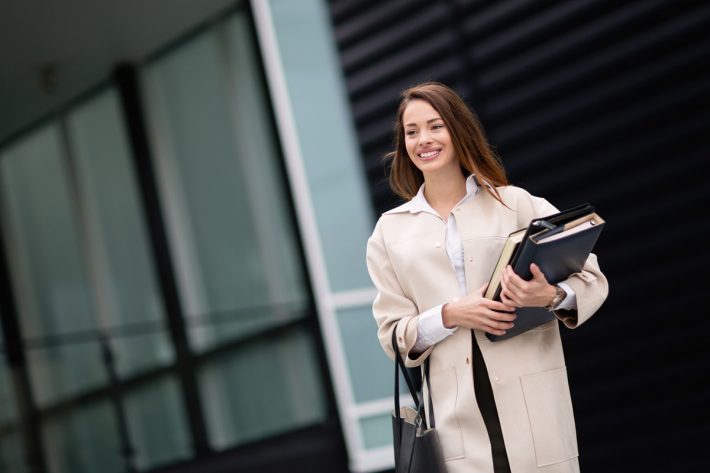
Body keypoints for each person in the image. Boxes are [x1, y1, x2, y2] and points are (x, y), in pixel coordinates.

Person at [365, 82, 608, 473]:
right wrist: (450, 314)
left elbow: (593, 279)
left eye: (435, 126)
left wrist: (547, 294)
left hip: (535, 409)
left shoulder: (515, 203)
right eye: (412, 132)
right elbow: (393, 334)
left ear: (458, 130)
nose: (423, 140)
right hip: (455, 418)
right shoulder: (389, 233)